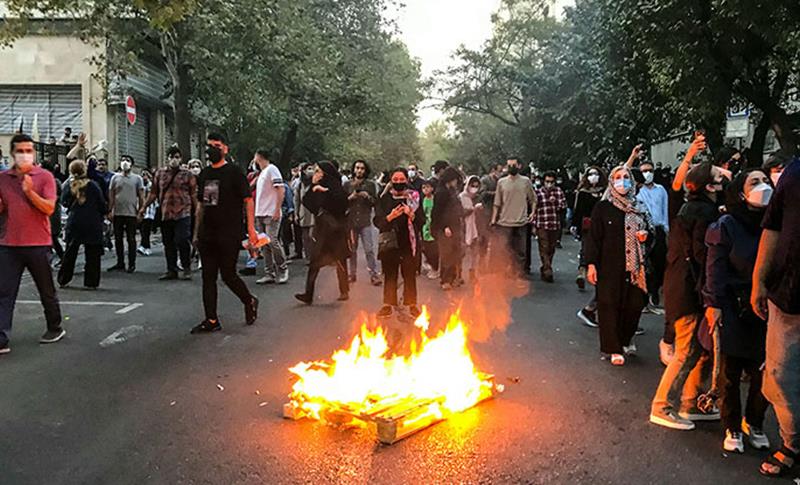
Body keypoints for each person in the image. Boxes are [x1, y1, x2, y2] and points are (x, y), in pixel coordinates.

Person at [650, 162, 725, 430]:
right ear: (708, 185)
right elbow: (702, 256)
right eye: (718, 176)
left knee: (698, 351)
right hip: (688, 290)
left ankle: (690, 402)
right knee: (685, 352)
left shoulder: (691, 208)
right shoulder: (704, 212)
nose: (724, 179)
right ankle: (663, 405)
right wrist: (708, 293)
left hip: (681, 286)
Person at [704, 169, 772, 454]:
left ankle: (754, 423)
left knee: (764, 373)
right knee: (729, 373)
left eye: (765, 181)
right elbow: (715, 267)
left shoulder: (777, 223)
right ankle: (731, 426)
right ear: (741, 192)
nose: (763, 186)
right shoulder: (727, 225)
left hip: (768, 309)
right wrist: (714, 304)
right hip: (734, 306)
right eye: (754, 182)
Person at [751, 153, 800, 477]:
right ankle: (793, 442)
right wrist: (759, 280)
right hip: (788, 294)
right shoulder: (795, 171)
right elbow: (773, 227)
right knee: (779, 378)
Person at [0, 134, 65, 354]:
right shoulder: (3, 179)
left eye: (29, 150)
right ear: (12, 153)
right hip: (9, 244)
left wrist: (29, 192)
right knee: (4, 291)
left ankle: (55, 326)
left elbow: (49, 208)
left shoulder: (44, 177)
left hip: (38, 242)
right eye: (20, 151)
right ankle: (1, 337)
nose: (25, 155)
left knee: (45, 289)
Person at [191, 134, 259, 334]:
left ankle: (249, 300)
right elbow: (203, 205)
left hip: (229, 233)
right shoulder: (205, 174)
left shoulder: (234, 173)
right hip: (208, 234)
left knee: (228, 274)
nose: (212, 149)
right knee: (208, 276)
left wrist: (251, 230)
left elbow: (248, 200)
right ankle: (211, 319)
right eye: (210, 146)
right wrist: (196, 232)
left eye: (217, 146)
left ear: (225, 149)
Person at [585, 166, 650, 366]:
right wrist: (591, 264)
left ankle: (625, 338)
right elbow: (593, 238)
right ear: (612, 182)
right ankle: (613, 348)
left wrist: (645, 236)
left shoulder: (639, 206)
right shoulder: (603, 207)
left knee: (634, 304)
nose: (622, 181)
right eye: (618, 177)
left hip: (635, 268)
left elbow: (651, 229)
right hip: (608, 265)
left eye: (626, 177)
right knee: (609, 306)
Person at [294, 161, 350, 305]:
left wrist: (326, 192)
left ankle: (344, 290)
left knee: (340, 260)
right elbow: (308, 203)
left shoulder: (336, 187)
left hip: (336, 230)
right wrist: (313, 187)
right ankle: (308, 294)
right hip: (322, 231)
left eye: (318, 171)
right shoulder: (317, 187)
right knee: (315, 262)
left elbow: (342, 204)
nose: (316, 173)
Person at [139, 146, 196, 281]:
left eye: (176, 157)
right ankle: (171, 270)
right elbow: (153, 193)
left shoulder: (187, 174)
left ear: (180, 158)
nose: (173, 160)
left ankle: (186, 267)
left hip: (183, 212)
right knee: (168, 242)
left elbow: (193, 193)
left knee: (182, 239)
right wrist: (143, 207)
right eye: (171, 157)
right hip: (166, 212)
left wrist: (197, 210)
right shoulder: (160, 174)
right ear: (167, 158)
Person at [374, 167, 424, 318]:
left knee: (409, 273)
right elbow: (377, 221)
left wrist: (412, 215)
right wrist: (390, 217)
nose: (398, 183)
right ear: (390, 181)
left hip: (408, 242)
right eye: (395, 180)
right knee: (390, 273)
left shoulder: (413, 198)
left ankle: (411, 304)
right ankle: (388, 304)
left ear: (407, 181)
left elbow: (422, 220)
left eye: (401, 180)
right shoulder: (384, 199)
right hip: (390, 241)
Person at [58, 160, 107, 289]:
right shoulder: (93, 185)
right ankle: (91, 282)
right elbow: (102, 204)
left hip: (75, 221)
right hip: (92, 222)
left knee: (70, 252)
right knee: (92, 254)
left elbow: (64, 202)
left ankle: (63, 279)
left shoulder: (69, 186)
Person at [492, 157, 536, 278]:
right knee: (506, 250)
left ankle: (519, 272)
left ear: (519, 166)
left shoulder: (526, 182)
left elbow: (533, 199)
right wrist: (493, 219)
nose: (511, 167)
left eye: (514, 165)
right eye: (509, 165)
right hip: (505, 222)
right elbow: (497, 203)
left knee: (521, 251)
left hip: (521, 222)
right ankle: (507, 271)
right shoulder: (501, 182)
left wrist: (532, 213)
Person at [573, 166, 606, 326]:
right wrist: (575, 226)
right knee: (587, 252)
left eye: (596, 174)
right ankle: (583, 270)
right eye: (591, 174)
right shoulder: (583, 193)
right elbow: (578, 211)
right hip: (589, 229)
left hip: (606, 231)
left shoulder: (606, 192)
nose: (594, 177)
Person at [636, 160, 669, 314]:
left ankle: (655, 292)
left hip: (660, 229)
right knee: (647, 265)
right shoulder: (638, 192)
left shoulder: (661, 190)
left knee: (660, 263)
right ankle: (646, 297)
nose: (647, 173)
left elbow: (665, 209)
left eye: (649, 170)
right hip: (644, 231)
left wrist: (666, 229)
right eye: (643, 171)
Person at [253, 148, 289, 285]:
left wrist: (277, 209)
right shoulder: (262, 173)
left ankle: (283, 268)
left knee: (272, 241)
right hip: (260, 212)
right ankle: (269, 273)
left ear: (259, 156)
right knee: (264, 244)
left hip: (270, 212)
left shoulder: (272, 169)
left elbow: (281, 188)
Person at [344, 159, 381, 286]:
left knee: (369, 249)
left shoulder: (370, 185)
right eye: (357, 168)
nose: (359, 170)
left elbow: (376, 202)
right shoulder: (347, 184)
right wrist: (351, 197)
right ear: (353, 169)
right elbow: (341, 203)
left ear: (365, 170)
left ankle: (374, 275)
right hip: (351, 221)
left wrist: (367, 196)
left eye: (362, 168)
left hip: (365, 221)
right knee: (352, 250)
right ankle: (352, 274)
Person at [107, 155, 144, 273]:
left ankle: (132, 264)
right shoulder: (115, 178)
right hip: (118, 213)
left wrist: (141, 211)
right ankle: (120, 262)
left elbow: (141, 196)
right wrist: (110, 210)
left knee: (131, 239)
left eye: (127, 160)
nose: (125, 163)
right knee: (118, 239)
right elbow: (111, 195)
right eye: (122, 160)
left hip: (131, 213)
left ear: (132, 164)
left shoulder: (137, 179)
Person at [431, 167, 464, 290]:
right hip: (445, 228)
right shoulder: (441, 192)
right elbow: (437, 213)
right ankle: (445, 280)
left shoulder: (451, 191)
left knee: (455, 252)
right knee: (447, 253)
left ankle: (453, 277)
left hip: (455, 225)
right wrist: (444, 226)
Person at [533, 171, 567, 283]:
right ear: (544, 182)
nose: (549, 184)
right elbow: (534, 209)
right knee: (544, 246)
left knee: (551, 248)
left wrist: (556, 202)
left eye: (552, 182)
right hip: (542, 224)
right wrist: (533, 225)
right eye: (547, 181)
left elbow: (563, 206)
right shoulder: (538, 193)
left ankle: (545, 267)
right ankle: (548, 270)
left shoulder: (558, 192)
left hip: (554, 224)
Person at [459, 175, 483, 283]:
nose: (474, 188)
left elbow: (483, 214)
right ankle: (458, 275)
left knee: (475, 253)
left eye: (476, 186)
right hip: (464, 227)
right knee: (462, 253)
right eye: (472, 185)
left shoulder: (478, 197)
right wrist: (473, 209)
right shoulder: (461, 197)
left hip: (476, 228)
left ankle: (472, 273)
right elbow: (460, 213)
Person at [293, 162, 316, 261]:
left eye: (312, 168)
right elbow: (296, 200)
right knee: (305, 237)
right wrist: (296, 214)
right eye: (308, 169)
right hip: (303, 212)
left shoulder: (316, 182)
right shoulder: (300, 184)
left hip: (314, 213)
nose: (310, 171)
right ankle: (308, 258)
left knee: (312, 236)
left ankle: (316, 256)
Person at [419, 180, 439, 279]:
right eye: (423, 187)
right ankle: (429, 265)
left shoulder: (436, 200)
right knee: (425, 247)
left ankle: (435, 269)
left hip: (434, 225)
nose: (425, 189)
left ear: (432, 188)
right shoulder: (422, 200)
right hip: (424, 226)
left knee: (433, 248)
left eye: (427, 187)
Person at [137, 169, 156, 256]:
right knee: (142, 230)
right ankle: (144, 246)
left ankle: (145, 246)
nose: (144, 177)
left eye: (145, 175)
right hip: (140, 210)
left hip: (149, 211)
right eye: (142, 175)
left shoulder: (151, 185)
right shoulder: (140, 185)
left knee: (146, 230)